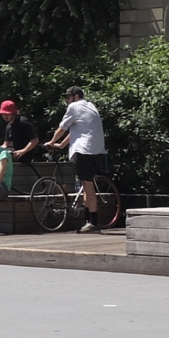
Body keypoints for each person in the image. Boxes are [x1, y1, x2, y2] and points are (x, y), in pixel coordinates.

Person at [47, 85, 109, 232]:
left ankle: (94, 223)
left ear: (76, 97)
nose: (67, 100)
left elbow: (62, 128)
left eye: (68, 97)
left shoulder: (74, 107)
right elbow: (78, 130)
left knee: (88, 185)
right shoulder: (90, 106)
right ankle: (87, 220)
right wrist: (62, 145)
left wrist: (51, 142)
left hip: (84, 150)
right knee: (86, 184)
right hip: (97, 150)